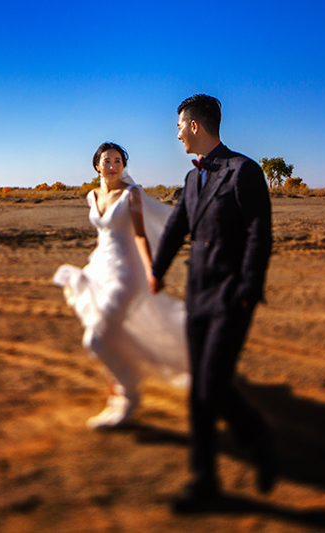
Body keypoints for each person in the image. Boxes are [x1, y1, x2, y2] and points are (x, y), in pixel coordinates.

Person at [149, 95, 278, 512]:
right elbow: (176, 227)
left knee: (212, 385)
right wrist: (157, 270)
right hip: (198, 294)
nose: (177, 135)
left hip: (230, 296)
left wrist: (248, 290)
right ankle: (204, 479)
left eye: (179, 126)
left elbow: (259, 234)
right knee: (198, 394)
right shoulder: (192, 179)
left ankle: (257, 437)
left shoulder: (244, 171)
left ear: (195, 126)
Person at [53, 142, 188, 430]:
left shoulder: (131, 194)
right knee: (109, 334)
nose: (113, 165)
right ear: (97, 165)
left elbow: (140, 235)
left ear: (123, 166)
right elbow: (102, 236)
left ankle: (128, 398)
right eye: (107, 160)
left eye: (118, 161)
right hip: (99, 269)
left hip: (126, 273)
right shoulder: (92, 196)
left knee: (95, 340)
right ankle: (121, 385)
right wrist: (90, 267)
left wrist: (153, 270)